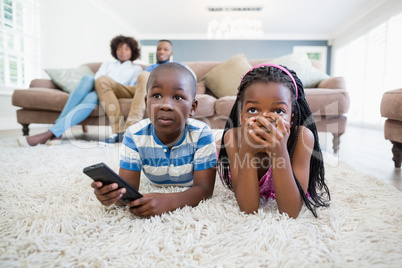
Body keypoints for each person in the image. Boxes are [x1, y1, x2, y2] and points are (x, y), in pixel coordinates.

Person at [91, 62, 217, 217]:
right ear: (146, 102)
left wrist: (169, 201)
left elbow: (204, 190)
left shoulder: (202, 133)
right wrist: (113, 196)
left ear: (193, 107)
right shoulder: (134, 135)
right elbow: (127, 190)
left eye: (178, 97)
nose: (166, 105)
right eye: (157, 96)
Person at [217, 63, 330, 218]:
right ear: (242, 116)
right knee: (216, 150)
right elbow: (248, 208)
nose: (265, 119)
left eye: (278, 111)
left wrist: (279, 151)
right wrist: (248, 151)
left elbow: (290, 212)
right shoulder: (234, 138)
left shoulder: (302, 138)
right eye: (253, 110)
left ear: (291, 117)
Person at [17, 35, 142, 147]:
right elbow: (97, 78)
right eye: (119, 48)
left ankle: (51, 132)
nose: (122, 52)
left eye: (126, 49)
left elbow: (127, 89)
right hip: (98, 86)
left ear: (132, 51)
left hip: (111, 93)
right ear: (115, 50)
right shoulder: (108, 64)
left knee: (92, 97)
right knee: (88, 79)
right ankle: (57, 131)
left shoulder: (136, 69)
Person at [97, 39, 175, 144]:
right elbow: (136, 84)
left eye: (165, 49)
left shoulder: (177, 67)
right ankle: (119, 131)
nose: (161, 52)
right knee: (102, 80)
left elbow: (188, 80)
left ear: (171, 53)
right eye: (159, 49)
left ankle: (130, 130)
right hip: (137, 90)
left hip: (155, 91)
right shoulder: (149, 67)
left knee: (145, 75)